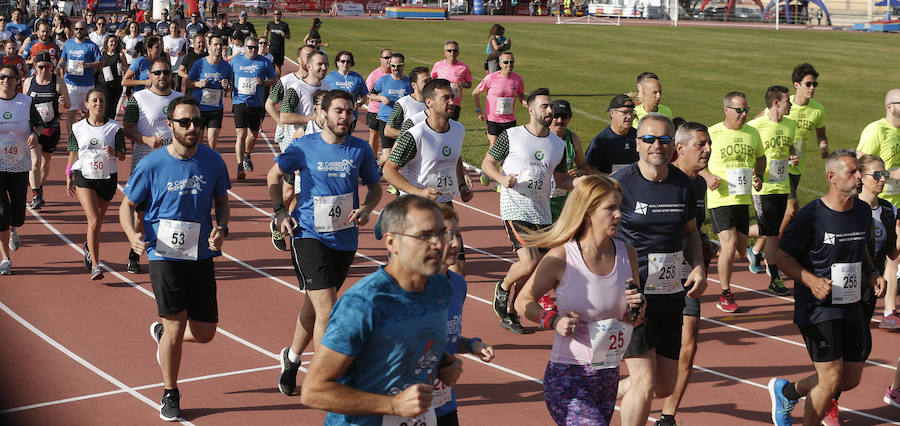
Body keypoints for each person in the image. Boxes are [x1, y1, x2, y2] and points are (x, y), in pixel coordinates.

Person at [300, 195, 463, 425]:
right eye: (424, 236)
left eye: (440, 233)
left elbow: (412, 344)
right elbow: (314, 391)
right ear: (391, 242)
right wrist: (394, 405)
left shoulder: (440, 289)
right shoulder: (363, 304)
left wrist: (443, 362)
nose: (438, 244)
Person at [119, 96, 230, 422]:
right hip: (163, 253)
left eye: (197, 121)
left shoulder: (213, 161)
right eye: (185, 122)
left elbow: (221, 201)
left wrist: (222, 226)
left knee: (206, 331)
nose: (193, 127)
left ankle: (164, 334)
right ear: (171, 125)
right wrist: (131, 236)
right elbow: (127, 205)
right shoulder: (152, 165)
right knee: (175, 323)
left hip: (200, 253)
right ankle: (171, 391)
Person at [270, 90, 383, 397]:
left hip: (344, 239)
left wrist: (367, 208)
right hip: (307, 234)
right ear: (323, 113)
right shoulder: (303, 147)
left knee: (315, 306)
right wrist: (280, 211)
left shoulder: (360, 150)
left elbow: (375, 188)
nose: (345, 117)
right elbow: (273, 174)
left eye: (349, 111)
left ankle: (291, 359)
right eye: (338, 111)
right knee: (328, 307)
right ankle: (324, 380)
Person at [769, 149, 886, 426]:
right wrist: (811, 281)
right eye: (853, 172)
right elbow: (782, 257)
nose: (860, 176)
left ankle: (786, 392)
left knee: (849, 379)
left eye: (860, 170)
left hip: (851, 302)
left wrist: (872, 272)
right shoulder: (811, 216)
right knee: (831, 377)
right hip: (817, 306)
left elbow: (862, 247)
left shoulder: (861, 210)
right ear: (832, 177)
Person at [515, 175, 644, 425]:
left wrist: (638, 308)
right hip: (568, 376)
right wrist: (551, 320)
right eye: (610, 208)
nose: (619, 214)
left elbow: (633, 319)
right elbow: (523, 302)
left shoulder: (627, 254)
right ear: (588, 213)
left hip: (607, 377)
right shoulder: (561, 257)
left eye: (620, 207)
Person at [610, 113, 707, 426]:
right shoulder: (620, 184)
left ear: (673, 146)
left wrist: (698, 265)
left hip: (669, 293)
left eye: (664, 140)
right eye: (649, 139)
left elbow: (690, 231)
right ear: (638, 143)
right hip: (631, 295)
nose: (657, 146)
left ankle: (602, 389)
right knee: (644, 380)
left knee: (664, 384)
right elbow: (596, 233)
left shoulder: (684, 185)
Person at [483, 88, 576, 334]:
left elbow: (562, 180)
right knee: (529, 261)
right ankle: (502, 288)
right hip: (515, 206)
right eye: (545, 106)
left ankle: (512, 312)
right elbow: (487, 163)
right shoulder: (511, 135)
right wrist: (502, 179)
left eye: (551, 107)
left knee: (537, 267)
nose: (550, 111)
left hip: (542, 211)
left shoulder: (558, 145)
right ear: (531, 108)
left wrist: (582, 184)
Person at [658, 121, 717, 426]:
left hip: (685, 272)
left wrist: (703, 247)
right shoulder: (661, 179)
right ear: (680, 149)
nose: (707, 149)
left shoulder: (698, 184)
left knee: (689, 344)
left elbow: (690, 229)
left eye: (708, 144)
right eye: (701, 145)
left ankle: (668, 416)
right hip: (651, 271)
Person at [383, 78, 474, 276]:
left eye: (452, 97)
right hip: (416, 208)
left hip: (444, 205)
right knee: (416, 270)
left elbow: (456, 158)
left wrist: (461, 185)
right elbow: (388, 170)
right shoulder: (415, 135)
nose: (452, 102)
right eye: (445, 98)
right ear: (429, 103)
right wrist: (419, 192)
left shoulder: (458, 130)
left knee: (457, 267)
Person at [433, 202, 495, 425]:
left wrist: (471, 346)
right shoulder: (411, 290)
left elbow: (442, 340)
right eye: (447, 235)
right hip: (408, 408)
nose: (456, 243)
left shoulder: (458, 284)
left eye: (458, 235)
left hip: (444, 404)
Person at [705, 91, 766, 313]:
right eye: (739, 110)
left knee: (739, 251)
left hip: (742, 198)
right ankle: (725, 293)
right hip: (720, 197)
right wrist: (707, 176)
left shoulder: (752, 132)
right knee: (729, 243)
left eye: (746, 110)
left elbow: (760, 157)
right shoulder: (712, 133)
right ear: (726, 110)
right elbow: (694, 159)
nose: (743, 114)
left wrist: (758, 176)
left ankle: (709, 249)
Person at [122, 58, 183, 274]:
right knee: (141, 215)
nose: (162, 76)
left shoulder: (180, 99)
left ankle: (167, 257)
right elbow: (127, 128)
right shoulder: (138, 98)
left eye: (166, 72)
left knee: (170, 212)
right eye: (157, 73)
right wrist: (146, 140)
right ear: (150, 75)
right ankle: (135, 252)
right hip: (144, 164)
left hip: (174, 166)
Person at [65, 89, 125, 280]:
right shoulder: (77, 127)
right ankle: (96, 265)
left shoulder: (115, 128)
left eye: (101, 100)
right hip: (84, 175)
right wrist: (68, 174)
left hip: (107, 178)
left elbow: (123, 155)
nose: (99, 103)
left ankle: (88, 246)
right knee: (94, 220)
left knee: (98, 221)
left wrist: (114, 152)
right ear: (87, 104)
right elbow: (73, 152)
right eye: (94, 100)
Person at [744, 86, 795, 297]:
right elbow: (748, 152)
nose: (790, 104)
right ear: (776, 103)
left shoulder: (790, 124)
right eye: (787, 101)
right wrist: (753, 175)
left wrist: (792, 156)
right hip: (763, 188)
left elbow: (790, 147)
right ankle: (774, 277)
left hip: (782, 185)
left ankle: (739, 235)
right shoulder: (756, 126)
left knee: (772, 231)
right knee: (772, 233)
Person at [856, 88, 900, 327]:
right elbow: (862, 160)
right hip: (880, 203)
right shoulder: (876, 129)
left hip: (895, 203)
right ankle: (888, 310)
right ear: (890, 106)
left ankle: (889, 308)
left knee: (893, 256)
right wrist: (893, 174)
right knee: (884, 257)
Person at [0, 64, 43, 276]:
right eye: (2, 77)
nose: (5, 81)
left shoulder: (25, 102)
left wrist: (35, 134)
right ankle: (5, 259)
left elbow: (39, 124)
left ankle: (13, 228)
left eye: (10, 77)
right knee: (1, 212)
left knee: (17, 214)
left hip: (19, 163)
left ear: (18, 80)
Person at [857, 154, 900, 333]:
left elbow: (892, 253)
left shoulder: (890, 209)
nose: (882, 179)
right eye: (876, 175)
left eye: (884, 175)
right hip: (844, 284)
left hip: (872, 287)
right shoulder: (847, 207)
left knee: (859, 342)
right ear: (861, 177)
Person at [23, 52, 70, 210]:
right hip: (34, 129)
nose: (44, 70)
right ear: (35, 67)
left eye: (47, 67)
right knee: (34, 162)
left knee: (46, 161)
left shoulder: (58, 82)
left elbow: (69, 105)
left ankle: (40, 187)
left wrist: (64, 101)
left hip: (51, 129)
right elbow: (23, 104)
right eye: (40, 67)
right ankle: (36, 194)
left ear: (51, 67)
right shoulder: (29, 83)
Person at [473, 51, 526, 186]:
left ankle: (499, 181)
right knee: (494, 148)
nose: (509, 65)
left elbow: (521, 94)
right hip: (493, 119)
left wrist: (524, 102)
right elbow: (475, 93)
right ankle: (486, 169)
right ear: (500, 64)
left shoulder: (517, 79)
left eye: (512, 62)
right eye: (506, 62)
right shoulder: (491, 78)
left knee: (507, 152)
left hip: (509, 120)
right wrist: (479, 110)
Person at [230, 36, 277, 180]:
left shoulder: (265, 62)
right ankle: (239, 167)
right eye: (250, 47)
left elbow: (274, 80)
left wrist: (263, 82)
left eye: (255, 48)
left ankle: (247, 154)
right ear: (244, 47)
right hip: (239, 102)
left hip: (256, 104)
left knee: (253, 136)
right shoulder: (235, 61)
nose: (253, 50)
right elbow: (228, 77)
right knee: (241, 134)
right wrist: (226, 85)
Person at [279, 50, 330, 156]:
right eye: (320, 64)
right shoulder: (296, 89)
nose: (324, 68)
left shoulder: (328, 87)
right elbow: (284, 117)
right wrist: (311, 119)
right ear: (309, 66)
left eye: (326, 64)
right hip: (301, 145)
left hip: (322, 145)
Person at [186, 34, 231, 151]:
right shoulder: (199, 64)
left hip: (216, 109)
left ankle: (210, 165)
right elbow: (188, 82)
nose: (218, 47)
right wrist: (197, 84)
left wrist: (226, 86)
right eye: (215, 44)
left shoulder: (227, 67)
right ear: (209, 46)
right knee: (199, 142)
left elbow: (229, 88)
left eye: (221, 44)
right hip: (199, 109)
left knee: (212, 141)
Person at [547, 99, 587, 221]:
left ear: (569, 118)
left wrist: (578, 173)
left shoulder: (572, 138)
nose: (560, 121)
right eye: (556, 116)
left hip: (563, 201)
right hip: (541, 200)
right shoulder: (541, 137)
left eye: (564, 117)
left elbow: (583, 167)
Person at [371, 53, 413, 164]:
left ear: (403, 65)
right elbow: (370, 95)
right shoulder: (383, 80)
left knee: (399, 156)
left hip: (402, 122)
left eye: (399, 65)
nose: (395, 68)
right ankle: (378, 166)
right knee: (387, 156)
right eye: (393, 66)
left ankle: (392, 179)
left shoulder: (408, 83)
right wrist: (381, 97)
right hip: (386, 120)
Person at [585, 94, 637, 175]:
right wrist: (609, 177)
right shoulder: (600, 141)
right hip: (610, 186)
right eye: (625, 112)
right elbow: (588, 170)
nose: (629, 116)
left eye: (631, 112)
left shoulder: (639, 137)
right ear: (612, 113)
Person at [383, 66, 430, 148]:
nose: (429, 84)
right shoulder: (403, 103)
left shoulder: (435, 102)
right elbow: (388, 131)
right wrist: (413, 136)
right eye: (425, 81)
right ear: (414, 85)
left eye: (430, 80)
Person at [323, 50, 367, 128]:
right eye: (342, 61)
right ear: (337, 63)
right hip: (334, 113)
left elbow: (365, 95)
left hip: (350, 114)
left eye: (348, 61)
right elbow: (323, 94)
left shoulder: (357, 78)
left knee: (347, 137)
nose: (345, 64)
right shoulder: (330, 77)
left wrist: (359, 104)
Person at [431, 40, 473, 121]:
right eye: (449, 51)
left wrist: (463, 84)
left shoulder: (464, 67)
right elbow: (431, 81)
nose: (452, 53)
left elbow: (469, 84)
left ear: (458, 52)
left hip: (454, 103)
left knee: (451, 127)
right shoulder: (438, 65)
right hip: (440, 101)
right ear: (445, 53)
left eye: (455, 50)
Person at [364, 48, 392, 156]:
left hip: (390, 111)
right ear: (380, 59)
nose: (389, 60)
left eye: (390, 57)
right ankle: (373, 158)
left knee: (389, 135)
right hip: (375, 110)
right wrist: (381, 98)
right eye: (386, 58)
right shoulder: (374, 75)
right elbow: (368, 94)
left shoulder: (394, 73)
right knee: (374, 135)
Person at [95, 34, 125, 119]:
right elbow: (96, 68)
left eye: (115, 42)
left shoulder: (120, 55)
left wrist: (124, 68)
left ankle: (111, 126)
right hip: (103, 85)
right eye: (111, 41)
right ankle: (103, 124)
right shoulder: (102, 55)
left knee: (113, 108)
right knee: (106, 107)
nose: (114, 43)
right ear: (107, 43)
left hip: (116, 85)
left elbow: (126, 69)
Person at [264, 9, 289, 76]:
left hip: (280, 49)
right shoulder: (270, 24)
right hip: (272, 48)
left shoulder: (284, 25)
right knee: (270, 65)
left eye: (278, 14)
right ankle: (270, 80)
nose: (276, 15)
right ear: (273, 15)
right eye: (275, 14)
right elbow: (266, 31)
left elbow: (288, 36)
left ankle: (277, 82)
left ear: (280, 15)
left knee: (278, 67)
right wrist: (266, 39)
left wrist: (285, 35)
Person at [163, 23, 186, 92]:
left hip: (178, 66)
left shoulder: (182, 40)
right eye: (172, 28)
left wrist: (180, 53)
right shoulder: (165, 39)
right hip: (168, 66)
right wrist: (165, 52)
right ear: (169, 29)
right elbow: (161, 50)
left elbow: (184, 51)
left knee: (178, 86)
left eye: (175, 28)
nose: (174, 29)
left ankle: (178, 101)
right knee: (169, 86)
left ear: (178, 28)